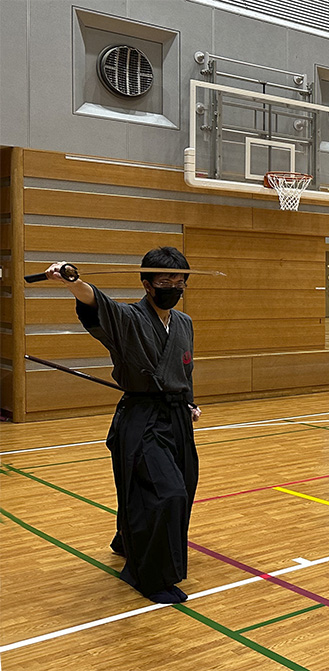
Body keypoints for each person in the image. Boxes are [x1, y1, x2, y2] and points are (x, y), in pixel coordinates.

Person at [41, 248, 201, 604]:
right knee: (166, 492)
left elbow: (184, 370)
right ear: (147, 284)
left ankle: (128, 540)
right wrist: (73, 280)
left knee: (185, 485)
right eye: (165, 280)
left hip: (175, 416)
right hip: (141, 418)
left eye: (179, 280)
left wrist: (189, 401)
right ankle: (152, 576)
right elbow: (96, 301)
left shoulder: (185, 324)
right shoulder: (128, 318)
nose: (174, 286)